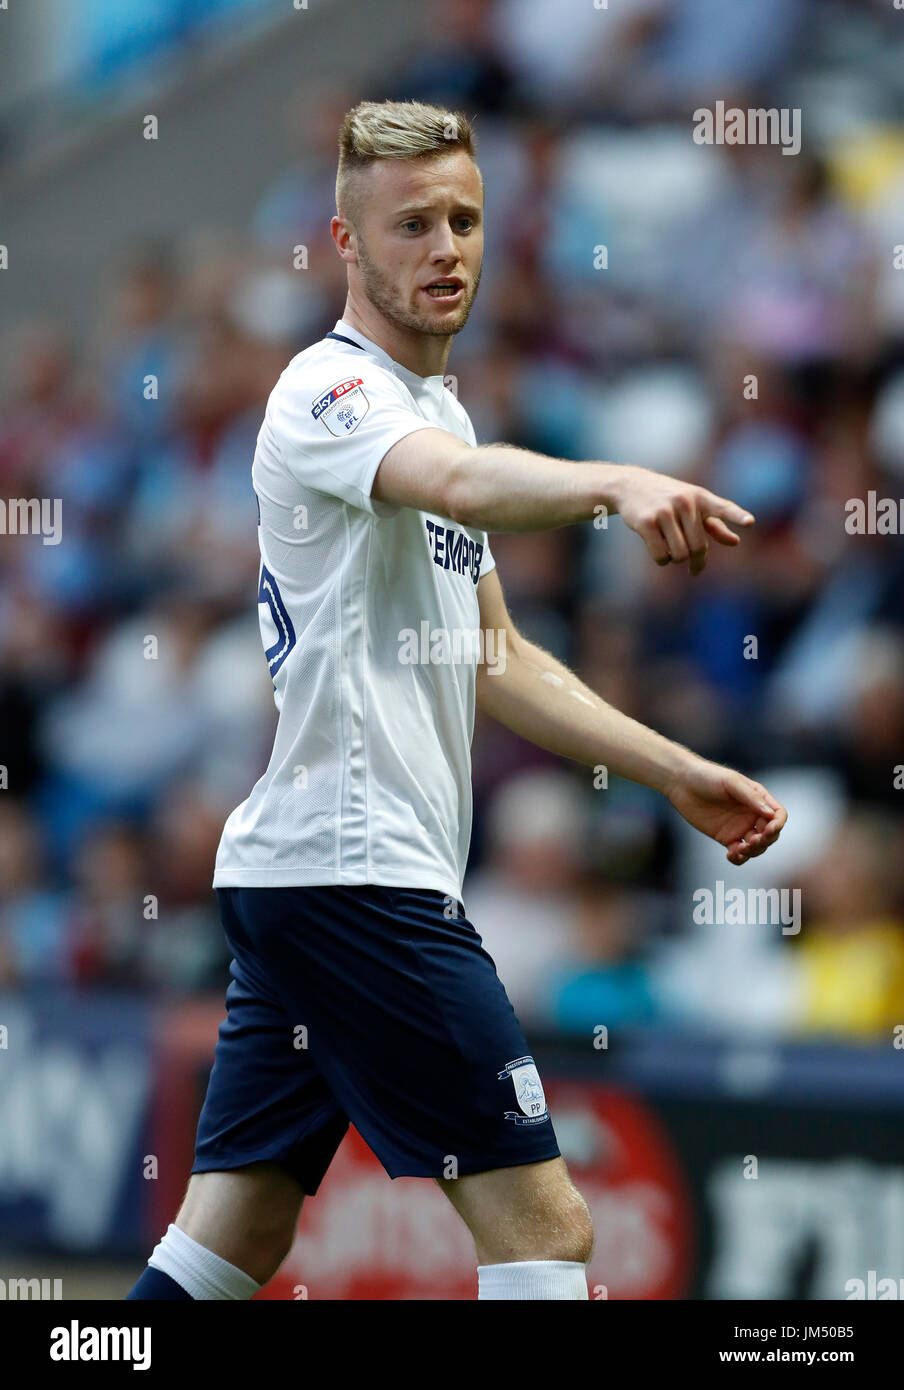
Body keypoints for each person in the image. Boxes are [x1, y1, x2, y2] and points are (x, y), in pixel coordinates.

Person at [127, 99, 787, 1303]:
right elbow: (465, 486)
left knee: (232, 1237)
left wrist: (673, 769)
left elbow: (500, 658)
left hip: (309, 880)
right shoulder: (327, 395)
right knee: (546, 1228)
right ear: (345, 240)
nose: (445, 248)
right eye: (413, 223)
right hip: (358, 877)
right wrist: (617, 480)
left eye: (466, 221)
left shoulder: (437, 406)